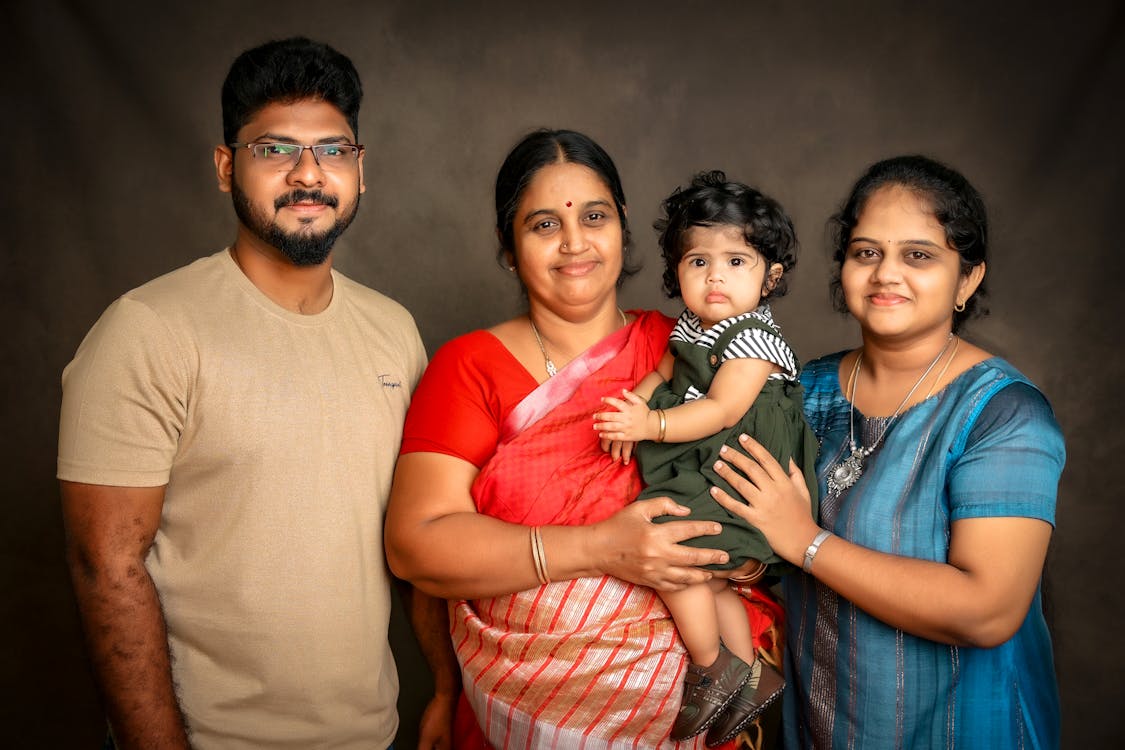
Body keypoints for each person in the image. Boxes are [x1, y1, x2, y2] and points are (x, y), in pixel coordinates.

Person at [57, 37, 451, 749]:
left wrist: (448, 690)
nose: (308, 174)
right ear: (224, 166)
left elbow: (417, 539)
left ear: (360, 170)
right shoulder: (145, 330)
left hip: (367, 734)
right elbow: (105, 566)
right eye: (274, 149)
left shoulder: (394, 331)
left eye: (332, 150)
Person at [385, 129, 782, 750]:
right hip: (517, 712)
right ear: (509, 245)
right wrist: (600, 547)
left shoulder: (686, 346)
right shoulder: (468, 367)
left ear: (622, 226)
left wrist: (744, 559)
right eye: (544, 225)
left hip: (682, 717)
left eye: (594, 217)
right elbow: (417, 546)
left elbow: (768, 469)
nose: (574, 243)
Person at [706, 155, 1064, 749]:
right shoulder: (798, 389)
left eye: (918, 255)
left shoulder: (1003, 414)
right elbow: (742, 531)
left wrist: (805, 542)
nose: (885, 274)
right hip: (820, 727)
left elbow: (988, 610)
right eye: (866, 252)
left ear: (968, 279)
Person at [592, 171, 815, 743]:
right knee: (711, 582)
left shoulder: (754, 339)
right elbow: (664, 372)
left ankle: (711, 664)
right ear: (677, 275)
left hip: (737, 465)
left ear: (772, 277)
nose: (716, 275)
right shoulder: (693, 326)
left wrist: (654, 423)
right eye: (698, 262)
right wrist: (632, 406)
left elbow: (719, 410)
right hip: (704, 458)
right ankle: (751, 679)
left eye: (737, 261)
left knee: (673, 556)